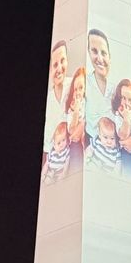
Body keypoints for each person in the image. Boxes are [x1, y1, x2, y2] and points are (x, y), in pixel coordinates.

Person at [42, 39, 70, 167]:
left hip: (72, 152)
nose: (59, 68)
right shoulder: (48, 99)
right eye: (55, 65)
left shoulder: (74, 85)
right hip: (53, 158)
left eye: (62, 61)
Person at [85, 29, 114, 140]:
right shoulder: (84, 83)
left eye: (103, 53)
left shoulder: (117, 88)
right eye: (94, 51)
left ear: (109, 56)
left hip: (114, 150)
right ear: (89, 53)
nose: (100, 58)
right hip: (91, 145)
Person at [112, 77, 131, 176]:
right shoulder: (118, 116)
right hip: (126, 151)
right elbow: (123, 136)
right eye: (123, 98)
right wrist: (126, 119)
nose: (126, 103)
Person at [65, 66, 87, 167]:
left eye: (81, 88)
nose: (78, 92)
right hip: (75, 142)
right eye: (76, 89)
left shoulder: (88, 103)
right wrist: (76, 111)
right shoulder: (71, 109)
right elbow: (71, 130)